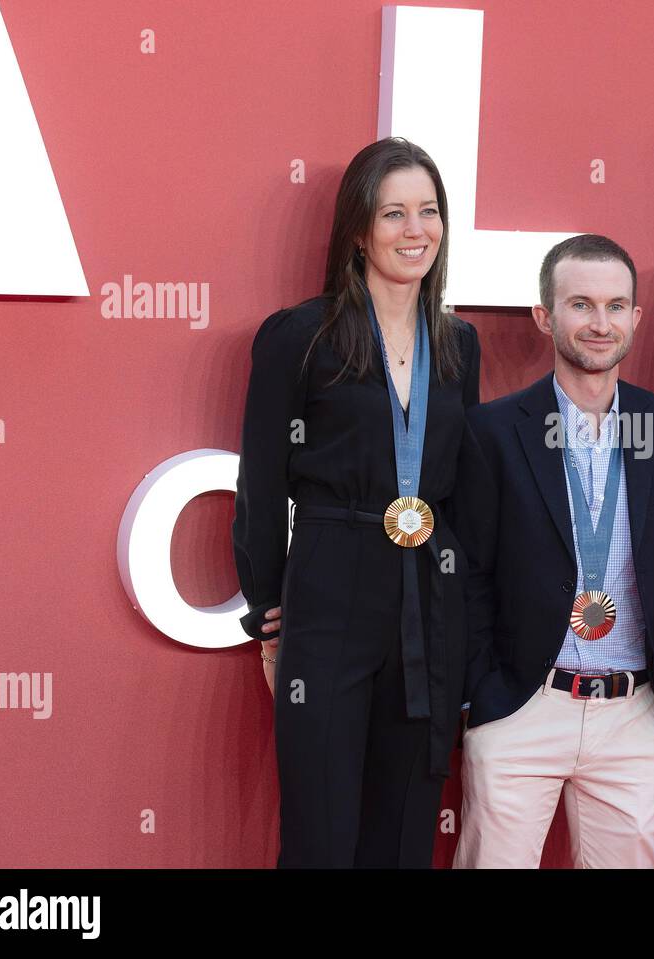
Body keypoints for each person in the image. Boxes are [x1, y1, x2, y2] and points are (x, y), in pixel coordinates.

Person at [232, 137, 483, 867]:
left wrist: (462, 616)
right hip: (330, 590)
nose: (416, 230)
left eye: (429, 211)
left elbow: (463, 496)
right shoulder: (299, 336)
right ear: (357, 228)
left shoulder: (460, 344)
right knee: (322, 835)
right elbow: (260, 484)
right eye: (393, 213)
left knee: (405, 833)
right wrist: (269, 607)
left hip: (427, 608)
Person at [453, 234, 654, 868]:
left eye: (617, 306)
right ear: (545, 316)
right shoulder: (492, 431)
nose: (600, 323)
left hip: (636, 714)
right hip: (522, 706)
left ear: (635, 319)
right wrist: (484, 696)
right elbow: (469, 575)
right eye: (581, 305)